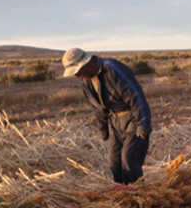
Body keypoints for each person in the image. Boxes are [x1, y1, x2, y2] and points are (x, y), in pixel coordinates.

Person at [62, 47, 151, 184]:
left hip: (132, 117)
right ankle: (121, 192)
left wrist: (143, 125)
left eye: (77, 71)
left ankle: (137, 195)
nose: (76, 76)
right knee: (113, 159)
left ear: (87, 63)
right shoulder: (87, 82)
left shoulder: (112, 68)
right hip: (115, 121)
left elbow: (136, 95)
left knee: (129, 157)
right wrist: (103, 130)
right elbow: (98, 108)